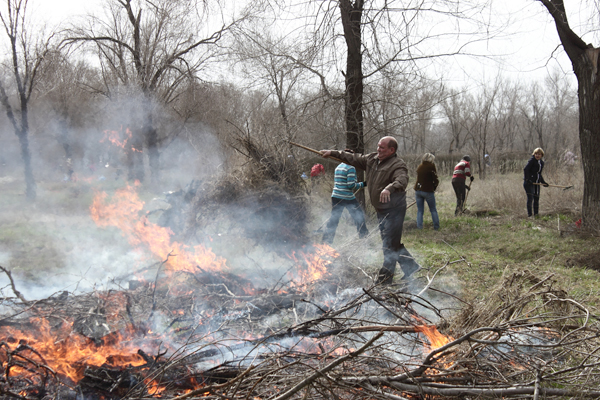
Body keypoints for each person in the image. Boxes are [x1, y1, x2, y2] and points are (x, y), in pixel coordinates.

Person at [320, 136, 413, 285]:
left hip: (395, 210)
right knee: (390, 241)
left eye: (382, 148)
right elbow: (352, 157)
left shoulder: (398, 164)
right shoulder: (371, 159)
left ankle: (385, 279)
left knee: (389, 243)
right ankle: (411, 267)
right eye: (378, 146)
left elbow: (402, 180)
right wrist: (332, 152)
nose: (378, 149)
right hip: (381, 209)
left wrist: (389, 188)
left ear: (391, 150)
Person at [322, 162, 369, 244]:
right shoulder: (350, 168)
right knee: (359, 217)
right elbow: (351, 185)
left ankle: (326, 241)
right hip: (347, 197)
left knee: (334, 219)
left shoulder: (338, 166)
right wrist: (363, 184)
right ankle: (364, 238)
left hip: (335, 196)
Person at [414, 153, 440, 230]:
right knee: (433, 209)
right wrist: (434, 187)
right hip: (428, 191)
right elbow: (435, 179)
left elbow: (419, 180)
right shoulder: (431, 166)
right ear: (431, 159)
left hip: (418, 191)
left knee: (420, 211)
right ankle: (436, 227)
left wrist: (419, 189)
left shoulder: (420, 166)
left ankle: (419, 227)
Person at [523, 148, 549, 218]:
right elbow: (526, 169)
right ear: (534, 154)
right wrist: (527, 179)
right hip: (529, 183)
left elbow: (539, 174)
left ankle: (536, 214)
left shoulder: (541, 163)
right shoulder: (532, 161)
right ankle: (530, 215)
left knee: (536, 198)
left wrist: (543, 182)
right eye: (536, 154)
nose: (537, 155)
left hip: (536, 183)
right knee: (530, 198)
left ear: (541, 155)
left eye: (539, 154)